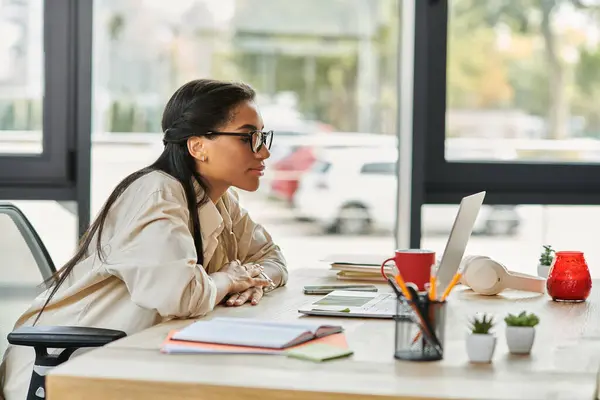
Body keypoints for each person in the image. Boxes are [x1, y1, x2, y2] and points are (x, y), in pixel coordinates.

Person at [0, 79, 287, 400]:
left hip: (136, 360)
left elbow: (273, 258)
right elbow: (179, 296)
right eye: (249, 137)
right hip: (68, 368)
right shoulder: (156, 192)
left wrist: (255, 278)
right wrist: (229, 279)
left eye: (262, 136)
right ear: (198, 146)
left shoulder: (221, 200)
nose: (264, 150)